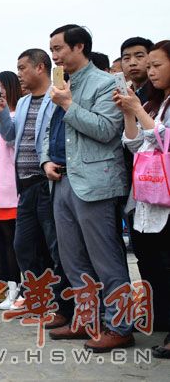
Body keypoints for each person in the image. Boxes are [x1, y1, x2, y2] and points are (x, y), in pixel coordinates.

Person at [42, 24, 133, 351]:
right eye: (52, 49)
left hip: (96, 183)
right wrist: (45, 161)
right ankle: (86, 320)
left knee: (106, 261)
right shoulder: (61, 85)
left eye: (59, 48)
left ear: (79, 47)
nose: (54, 55)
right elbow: (49, 133)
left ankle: (120, 325)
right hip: (61, 180)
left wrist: (68, 104)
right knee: (73, 261)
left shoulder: (106, 82)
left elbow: (108, 130)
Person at [0, 49, 72, 328]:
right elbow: (10, 136)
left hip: (48, 183)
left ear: (41, 67)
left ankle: (63, 305)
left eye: (22, 67)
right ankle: (38, 299)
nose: (19, 74)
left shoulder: (57, 95)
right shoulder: (25, 101)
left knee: (55, 246)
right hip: (25, 186)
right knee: (23, 245)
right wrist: (3, 115)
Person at [115, 40, 170, 358]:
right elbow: (135, 145)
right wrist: (129, 113)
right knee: (151, 261)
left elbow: (164, 140)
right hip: (147, 195)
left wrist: (136, 109)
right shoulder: (151, 102)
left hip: (164, 194)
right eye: (148, 66)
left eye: (155, 64)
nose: (150, 70)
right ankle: (160, 316)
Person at [0, 71, 22, 310]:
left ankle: (23, 289)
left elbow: (11, 144)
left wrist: (0, 117)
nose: (0, 93)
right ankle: (11, 287)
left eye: (3, 87)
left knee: (16, 244)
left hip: (12, 187)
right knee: (2, 243)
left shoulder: (17, 114)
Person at [120, 37, 155, 103]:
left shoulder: (161, 94)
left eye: (139, 56)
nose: (132, 63)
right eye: (127, 58)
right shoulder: (122, 94)